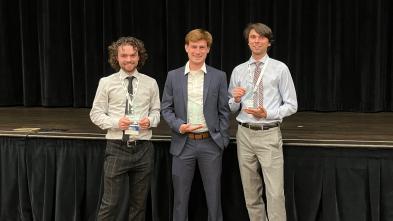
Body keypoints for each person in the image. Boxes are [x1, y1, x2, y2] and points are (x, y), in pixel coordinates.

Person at [228, 23, 298, 221]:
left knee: (275, 193)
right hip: (244, 134)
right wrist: (236, 99)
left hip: (268, 133)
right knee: (251, 192)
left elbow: (292, 105)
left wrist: (268, 113)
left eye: (261, 37)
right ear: (248, 41)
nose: (256, 41)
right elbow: (232, 107)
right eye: (252, 37)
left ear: (268, 42)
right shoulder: (239, 71)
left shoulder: (279, 68)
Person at [161, 29, 230, 221]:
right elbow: (166, 108)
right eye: (194, 47)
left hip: (210, 143)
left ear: (208, 50)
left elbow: (224, 110)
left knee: (213, 197)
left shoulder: (219, 76)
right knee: (180, 199)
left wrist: (222, 140)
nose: (197, 51)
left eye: (202, 47)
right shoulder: (173, 76)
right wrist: (179, 126)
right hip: (183, 144)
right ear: (186, 48)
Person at [90, 36, 160, 221]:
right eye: (124, 55)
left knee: (139, 204)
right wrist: (115, 123)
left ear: (139, 57)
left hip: (143, 148)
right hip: (116, 147)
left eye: (132, 55)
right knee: (110, 203)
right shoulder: (106, 82)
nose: (128, 59)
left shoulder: (150, 83)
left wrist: (150, 121)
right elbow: (95, 114)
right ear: (116, 58)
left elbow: (156, 112)